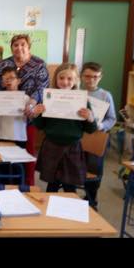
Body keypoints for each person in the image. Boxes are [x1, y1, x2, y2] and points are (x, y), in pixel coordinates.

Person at [28, 63, 97, 193]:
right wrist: (37, 114)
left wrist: (90, 118)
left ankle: (69, 206)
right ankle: (49, 205)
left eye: (69, 78)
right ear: (56, 79)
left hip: (72, 148)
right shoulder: (48, 98)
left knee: (69, 187)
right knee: (52, 185)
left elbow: (91, 129)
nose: (65, 82)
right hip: (51, 146)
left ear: (76, 80)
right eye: (61, 78)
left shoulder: (82, 101)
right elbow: (40, 126)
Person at [0, 34, 49, 186]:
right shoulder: (4, 63)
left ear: (29, 46)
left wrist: (32, 103)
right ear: (11, 48)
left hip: (28, 113)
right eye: (15, 45)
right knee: (5, 156)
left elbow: (42, 87)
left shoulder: (39, 64)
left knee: (25, 154)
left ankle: (26, 185)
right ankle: (4, 186)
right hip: (6, 116)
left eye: (23, 44)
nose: (19, 47)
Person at [81, 61, 117, 210]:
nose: (91, 80)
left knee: (94, 170)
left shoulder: (105, 95)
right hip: (79, 137)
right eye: (87, 76)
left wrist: (100, 126)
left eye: (95, 77)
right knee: (76, 167)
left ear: (100, 77)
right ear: (82, 76)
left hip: (96, 138)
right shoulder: (76, 92)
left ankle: (91, 199)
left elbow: (112, 119)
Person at [0, 65, 32, 144]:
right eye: (5, 79)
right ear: (3, 83)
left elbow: (31, 118)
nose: (9, 81)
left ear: (18, 81)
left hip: (20, 137)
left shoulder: (26, 98)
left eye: (12, 78)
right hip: (3, 137)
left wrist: (30, 112)